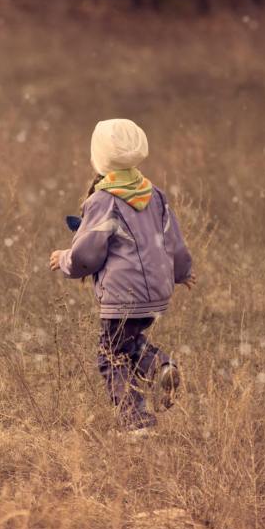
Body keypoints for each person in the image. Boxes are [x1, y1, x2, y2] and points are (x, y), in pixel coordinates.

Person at [49, 118, 195, 432]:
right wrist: (182, 272)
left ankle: (136, 422)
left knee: (110, 356)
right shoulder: (155, 195)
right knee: (126, 345)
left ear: (98, 158)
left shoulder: (104, 200)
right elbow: (174, 241)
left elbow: (88, 254)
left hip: (122, 294)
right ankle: (161, 366)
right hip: (156, 293)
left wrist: (64, 260)